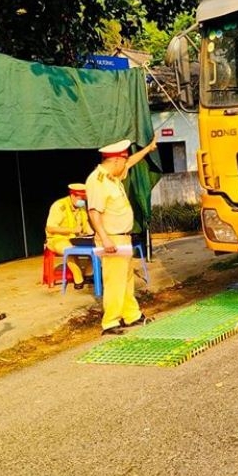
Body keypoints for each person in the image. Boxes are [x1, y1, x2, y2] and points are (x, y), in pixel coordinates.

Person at [85, 136, 157, 333]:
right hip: (111, 238)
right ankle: (110, 322)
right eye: (123, 161)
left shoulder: (113, 176)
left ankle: (131, 315)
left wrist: (148, 149)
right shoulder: (97, 181)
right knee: (114, 280)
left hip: (123, 237)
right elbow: (94, 212)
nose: (126, 164)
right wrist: (105, 238)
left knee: (126, 278)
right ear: (115, 160)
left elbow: (131, 162)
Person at [44, 183, 93, 288]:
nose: (83, 201)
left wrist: (93, 235)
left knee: (97, 246)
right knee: (70, 250)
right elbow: (50, 228)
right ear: (73, 195)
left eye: (84, 198)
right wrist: (72, 230)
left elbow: (86, 225)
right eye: (81, 198)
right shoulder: (59, 206)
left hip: (75, 239)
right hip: (57, 239)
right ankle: (78, 278)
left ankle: (88, 274)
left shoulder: (81, 207)